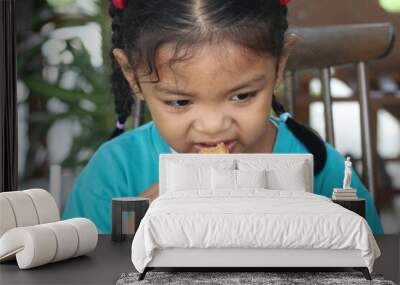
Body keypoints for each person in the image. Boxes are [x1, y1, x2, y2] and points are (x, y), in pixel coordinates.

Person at [62, 0, 384, 235]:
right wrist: (136, 220)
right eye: (180, 101)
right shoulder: (114, 173)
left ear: (280, 65)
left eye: (242, 96)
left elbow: (373, 262)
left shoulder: (322, 169)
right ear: (132, 76)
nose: (214, 126)